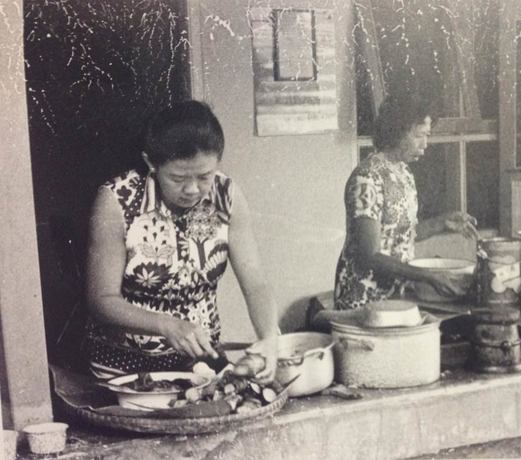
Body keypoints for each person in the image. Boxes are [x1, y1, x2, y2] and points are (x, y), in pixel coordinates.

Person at [84, 100, 278, 383]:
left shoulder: (226, 195)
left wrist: (269, 338)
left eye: (204, 176)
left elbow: (256, 284)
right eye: (177, 177)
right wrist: (166, 325)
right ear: (151, 163)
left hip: (199, 363)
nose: (192, 189)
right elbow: (101, 300)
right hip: (123, 368)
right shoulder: (117, 200)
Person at [310, 94, 478, 328]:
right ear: (398, 131)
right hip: (364, 301)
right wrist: (427, 276)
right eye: (420, 135)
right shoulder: (367, 178)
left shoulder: (403, 173)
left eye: (427, 136)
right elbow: (369, 254)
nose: (425, 144)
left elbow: (397, 235)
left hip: (396, 298)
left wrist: (442, 223)